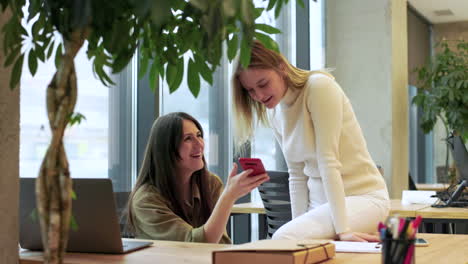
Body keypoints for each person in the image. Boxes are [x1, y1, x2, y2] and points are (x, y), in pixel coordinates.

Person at [232, 40, 390, 242]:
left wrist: (344, 231)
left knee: (283, 237)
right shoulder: (276, 113)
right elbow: (296, 175)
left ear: (281, 67)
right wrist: (299, 228)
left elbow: (328, 161)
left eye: (263, 84)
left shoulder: (319, 87)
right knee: (292, 238)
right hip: (320, 206)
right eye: (251, 90)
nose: (259, 96)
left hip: (362, 199)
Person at [126, 112, 269, 243]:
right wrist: (229, 196)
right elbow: (196, 244)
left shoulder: (210, 183)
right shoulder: (146, 200)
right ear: (167, 149)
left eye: (199, 135)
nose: (199, 144)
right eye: (188, 138)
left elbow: (221, 243)